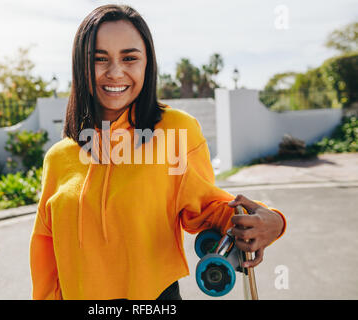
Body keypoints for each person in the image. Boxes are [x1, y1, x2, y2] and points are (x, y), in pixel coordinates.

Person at [29, 4, 286, 300]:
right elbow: (45, 250)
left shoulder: (176, 131)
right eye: (99, 59)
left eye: (129, 58)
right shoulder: (59, 157)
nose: (115, 72)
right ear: (80, 65)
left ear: (147, 64)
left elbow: (210, 209)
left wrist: (273, 222)